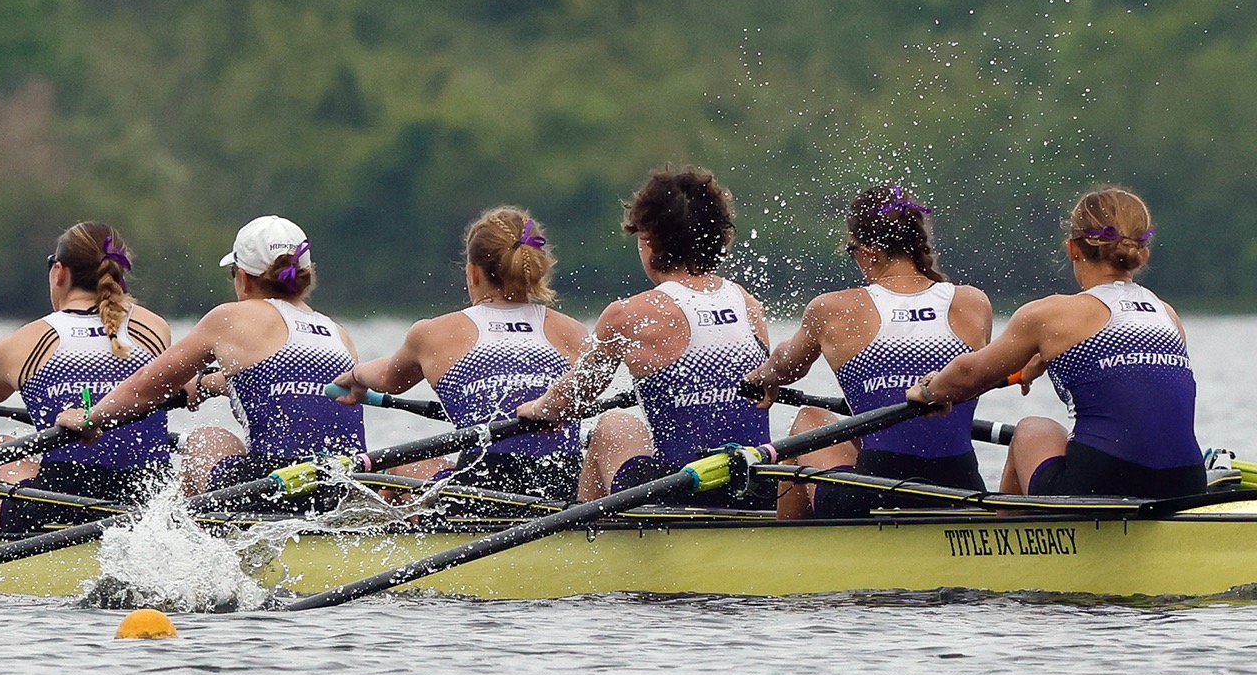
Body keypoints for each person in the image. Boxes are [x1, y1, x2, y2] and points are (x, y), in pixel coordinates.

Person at [908, 186, 1204, 499]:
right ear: (1143, 252)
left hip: (1103, 481)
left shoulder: (1050, 314)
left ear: (1073, 248)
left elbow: (968, 376)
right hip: (1186, 482)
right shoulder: (1167, 314)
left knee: (1032, 429)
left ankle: (1007, 541)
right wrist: (1044, 357)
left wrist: (929, 391)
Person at [54, 215, 364, 500]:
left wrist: (89, 418)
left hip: (275, 491)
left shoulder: (230, 318)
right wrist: (209, 383)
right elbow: (294, 387)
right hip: (345, 487)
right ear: (307, 277)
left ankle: (188, 547)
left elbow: (145, 387)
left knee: (207, 438)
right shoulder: (339, 334)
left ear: (242, 278)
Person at [516, 166, 773, 504]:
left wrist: (538, 409)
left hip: (683, 496)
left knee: (614, 425)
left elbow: (573, 399)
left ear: (648, 238)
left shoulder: (628, 314)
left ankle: (586, 546)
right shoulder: (748, 303)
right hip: (760, 489)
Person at [743, 186, 993, 517]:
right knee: (870, 431)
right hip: (963, 489)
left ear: (869, 252)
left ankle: (787, 555)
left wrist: (763, 377)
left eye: (853, 251)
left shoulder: (832, 309)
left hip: (874, 497)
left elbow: (787, 367)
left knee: (809, 419)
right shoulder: (973, 303)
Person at [0, 222, 173, 531]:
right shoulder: (154, 329)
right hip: (149, 507)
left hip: (59, 511)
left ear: (59, 271)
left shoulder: (25, 342)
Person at [329, 207, 588, 500]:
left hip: (481, 495)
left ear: (473, 272)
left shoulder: (435, 333)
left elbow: (389, 379)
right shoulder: (573, 331)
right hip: (561, 489)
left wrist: (355, 375)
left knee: (403, 463)